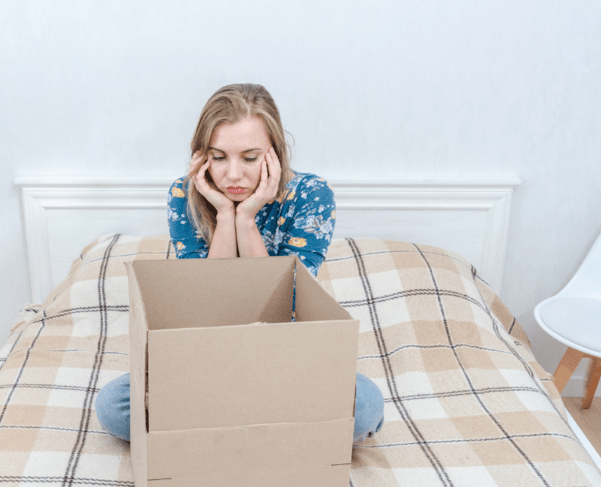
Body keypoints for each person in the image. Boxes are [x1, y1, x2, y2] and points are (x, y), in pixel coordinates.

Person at [95, 83, 384, 443]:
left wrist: (247, 218)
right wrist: (223, 215)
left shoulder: (311, 195)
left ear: (274, 154)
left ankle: (226, 426)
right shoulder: (184, 194)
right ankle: (263, 426)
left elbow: (282, 308)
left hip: (285, 356)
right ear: (202, 158)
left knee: (366, 408)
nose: (233, 175)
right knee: (114, 408)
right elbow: (205, 306)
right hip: (208, 359)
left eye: (249, 158)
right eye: (218, 157)